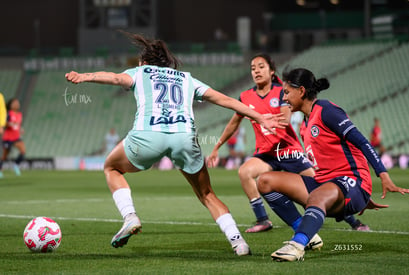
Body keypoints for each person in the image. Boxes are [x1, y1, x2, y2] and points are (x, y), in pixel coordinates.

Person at [65, 31, 286, 256]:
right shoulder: (186, 78)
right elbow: (225, 100)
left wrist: (85, 76)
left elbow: (114, 78)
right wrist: (259, 116)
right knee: (207, 194)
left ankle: (130, 216)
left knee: (111, 167)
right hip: (184, 137)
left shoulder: (141, 72)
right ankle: (238, 242)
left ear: (145, 62)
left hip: (148, 134)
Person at [256, 68, 409, 262]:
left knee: (317, 196)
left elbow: (362, 142)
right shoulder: (305, 123)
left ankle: (297, 245)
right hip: (327, 184)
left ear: (301, 91)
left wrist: (382, 176)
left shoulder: (326, 110)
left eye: (286, 92)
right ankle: (307, 235)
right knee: (265, 181)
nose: (284, 98)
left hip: (353, 181)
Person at [208, 54, 318, 237]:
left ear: (271, 71)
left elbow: (286, 119)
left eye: (261, 67)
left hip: (288, 150)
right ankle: (262, 220)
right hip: (266, 154)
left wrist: (264, 118)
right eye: (253, 68)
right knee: (244, 172)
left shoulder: (282, 91)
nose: (256, 71)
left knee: (319, 189)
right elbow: (233, 123)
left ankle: (352, 220)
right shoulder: (245, 96)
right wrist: (216, 147)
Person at [0, 98, 25, 178]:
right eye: (15, 103)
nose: (17, 104)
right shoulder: (8, 114)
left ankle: (16, 165)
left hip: (16, 137)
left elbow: (18, 125)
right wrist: (9, 124)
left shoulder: (20, 114)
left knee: (23, 151)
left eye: (18, 103)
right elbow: (4, 123)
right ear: (11, 105)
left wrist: (21, 129)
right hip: (8, 137)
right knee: (4, 155)